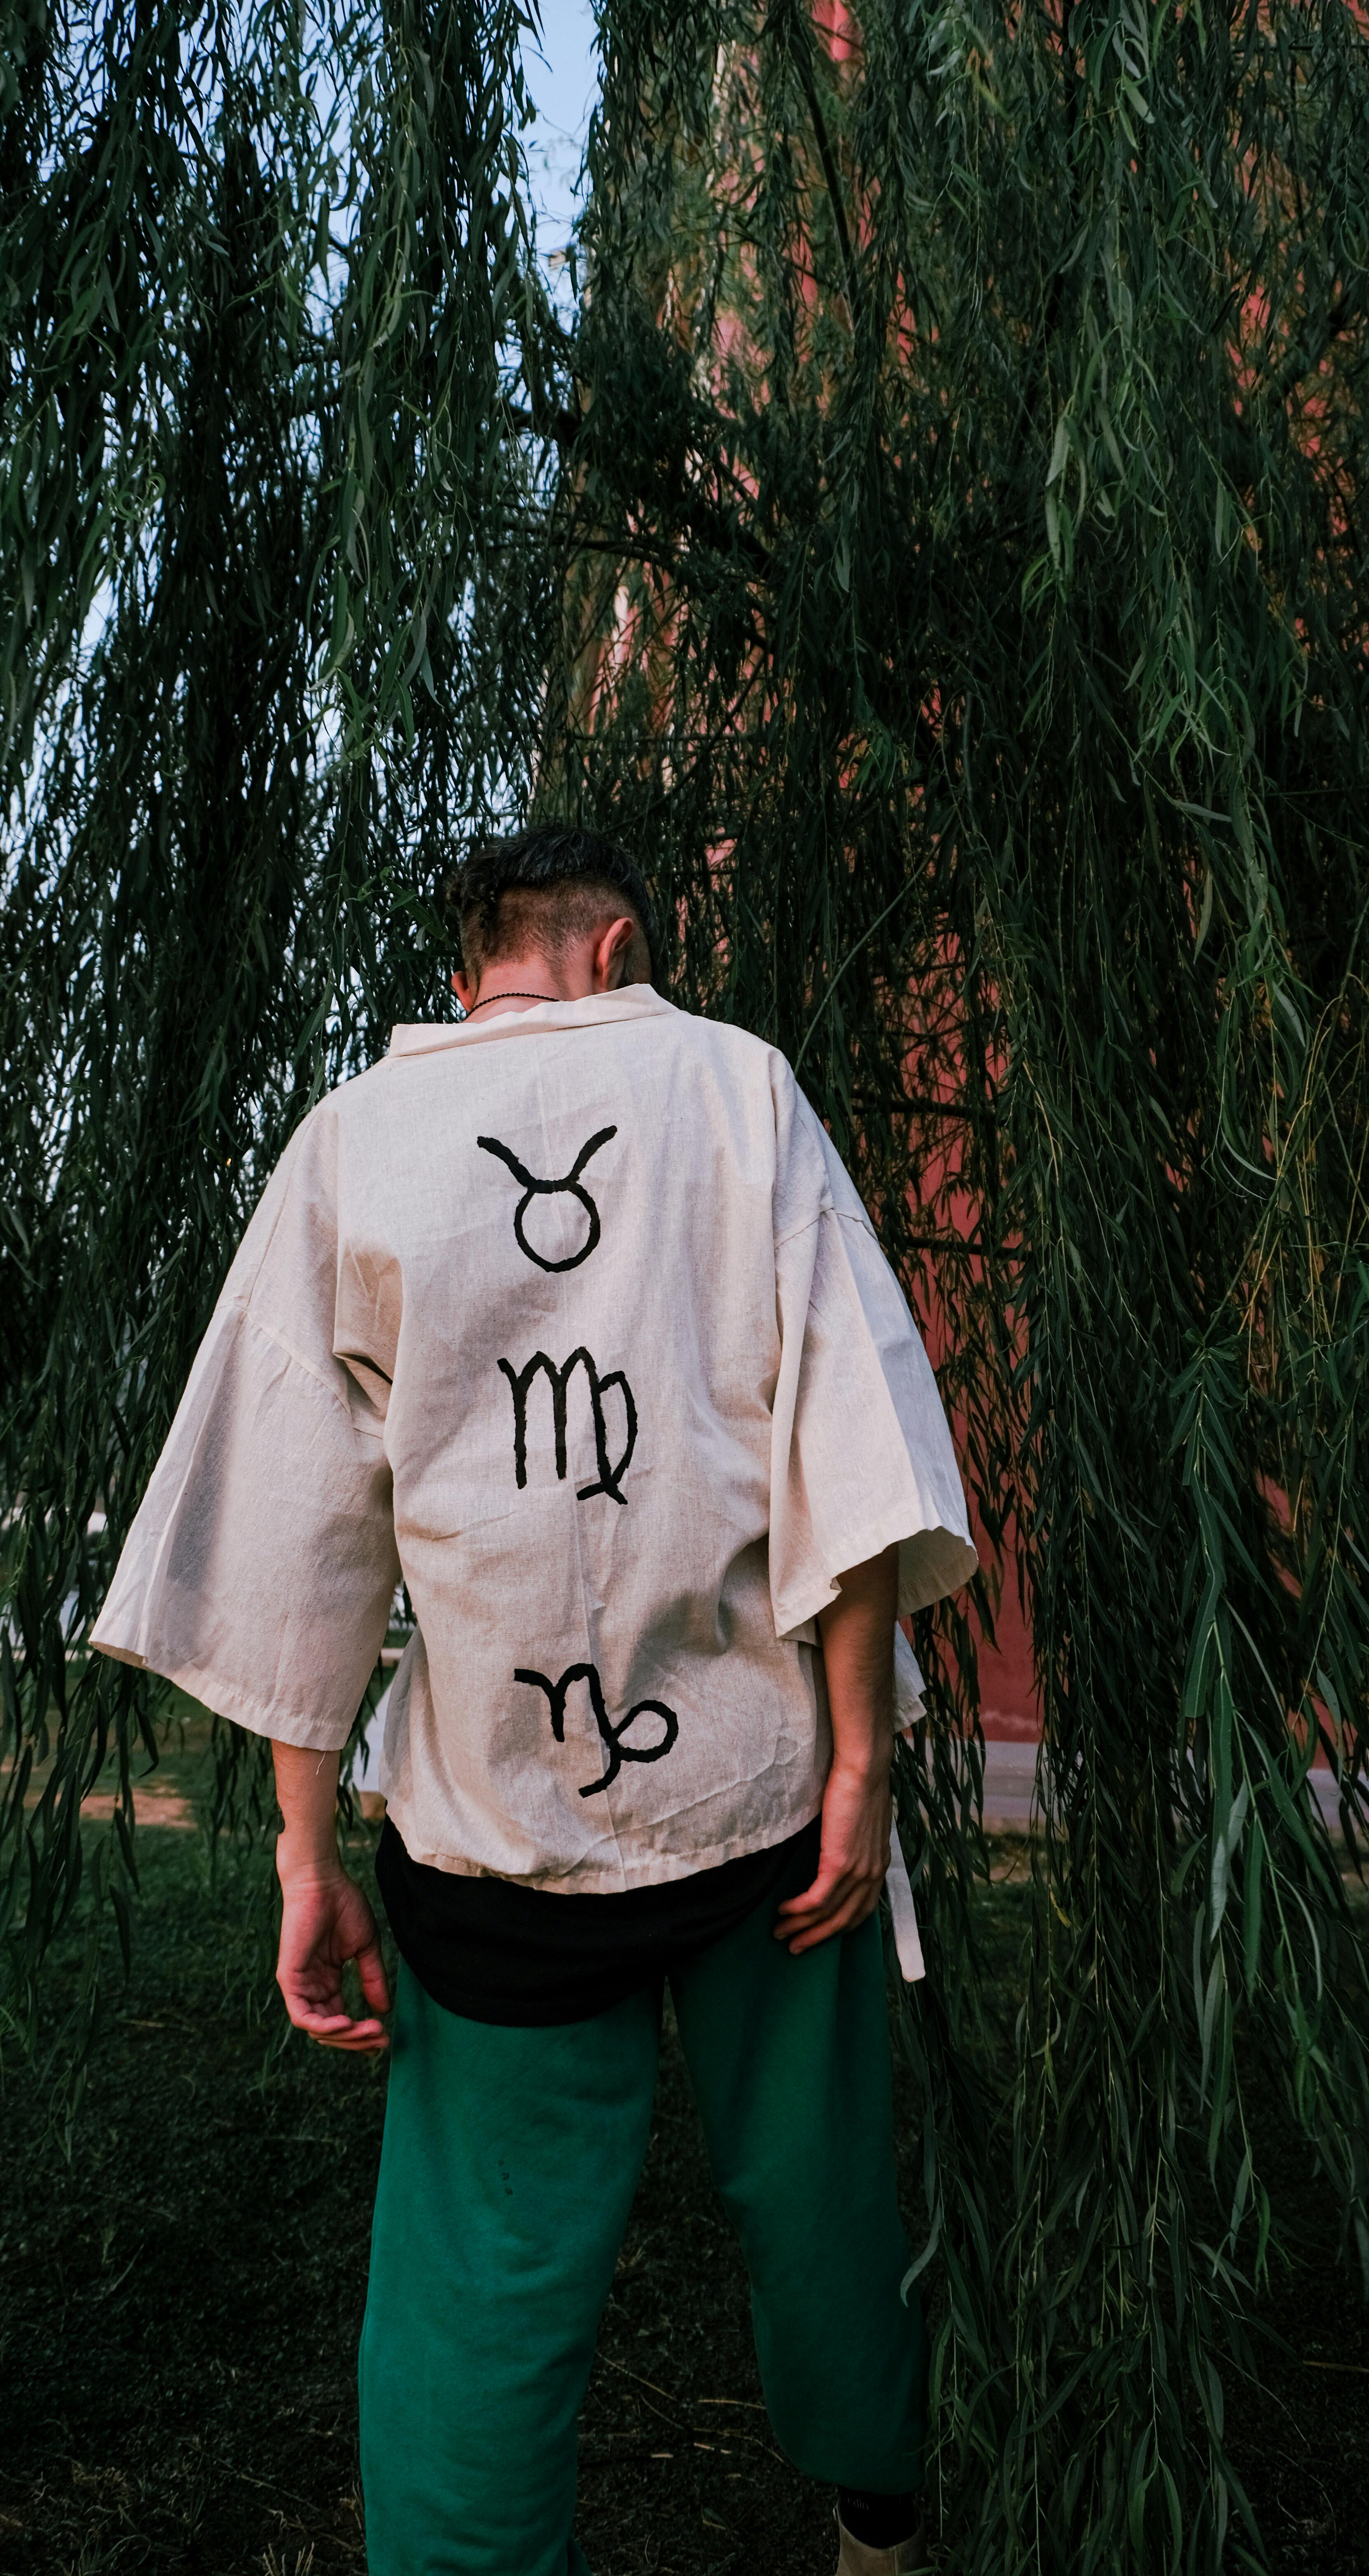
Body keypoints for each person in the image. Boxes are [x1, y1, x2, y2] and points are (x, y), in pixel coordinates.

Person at [92, 824, 977, 2576]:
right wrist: (863, 1769)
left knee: (478, 2284)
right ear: (618, 944)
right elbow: (848, 1451)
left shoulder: (353, 1142)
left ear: (465, 971)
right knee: (817, 2202)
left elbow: (296, 1527)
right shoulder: (737, 1092)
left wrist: (299, 1851)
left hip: (490, 1837)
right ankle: (878, 2514)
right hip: (759, 1809)